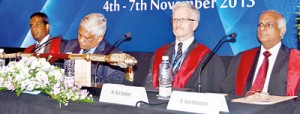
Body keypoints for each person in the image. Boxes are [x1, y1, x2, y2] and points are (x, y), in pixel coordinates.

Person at [145, 2, 225, 93]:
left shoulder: (208, 58)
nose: (177, 24)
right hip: (157, 105)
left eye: (183, 20)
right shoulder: (160, 53)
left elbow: (212, 93)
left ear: (194, 25)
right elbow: (148, 87)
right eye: (175, 20)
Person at [221, 10, 300, 96]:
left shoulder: (295, 60)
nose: (262, 28)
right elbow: (228, 89)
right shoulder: (242, 58)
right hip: (244, 107)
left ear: (282, 31)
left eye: (269, 24)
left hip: (278, 108)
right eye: (260, 24)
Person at [63, 13, 124, 84]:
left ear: (99, 37)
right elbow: (61, 68)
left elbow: (113, 84)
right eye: (79, 34)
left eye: (86, 38)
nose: (80, 40)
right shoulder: (71, 44)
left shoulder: (113, 54)